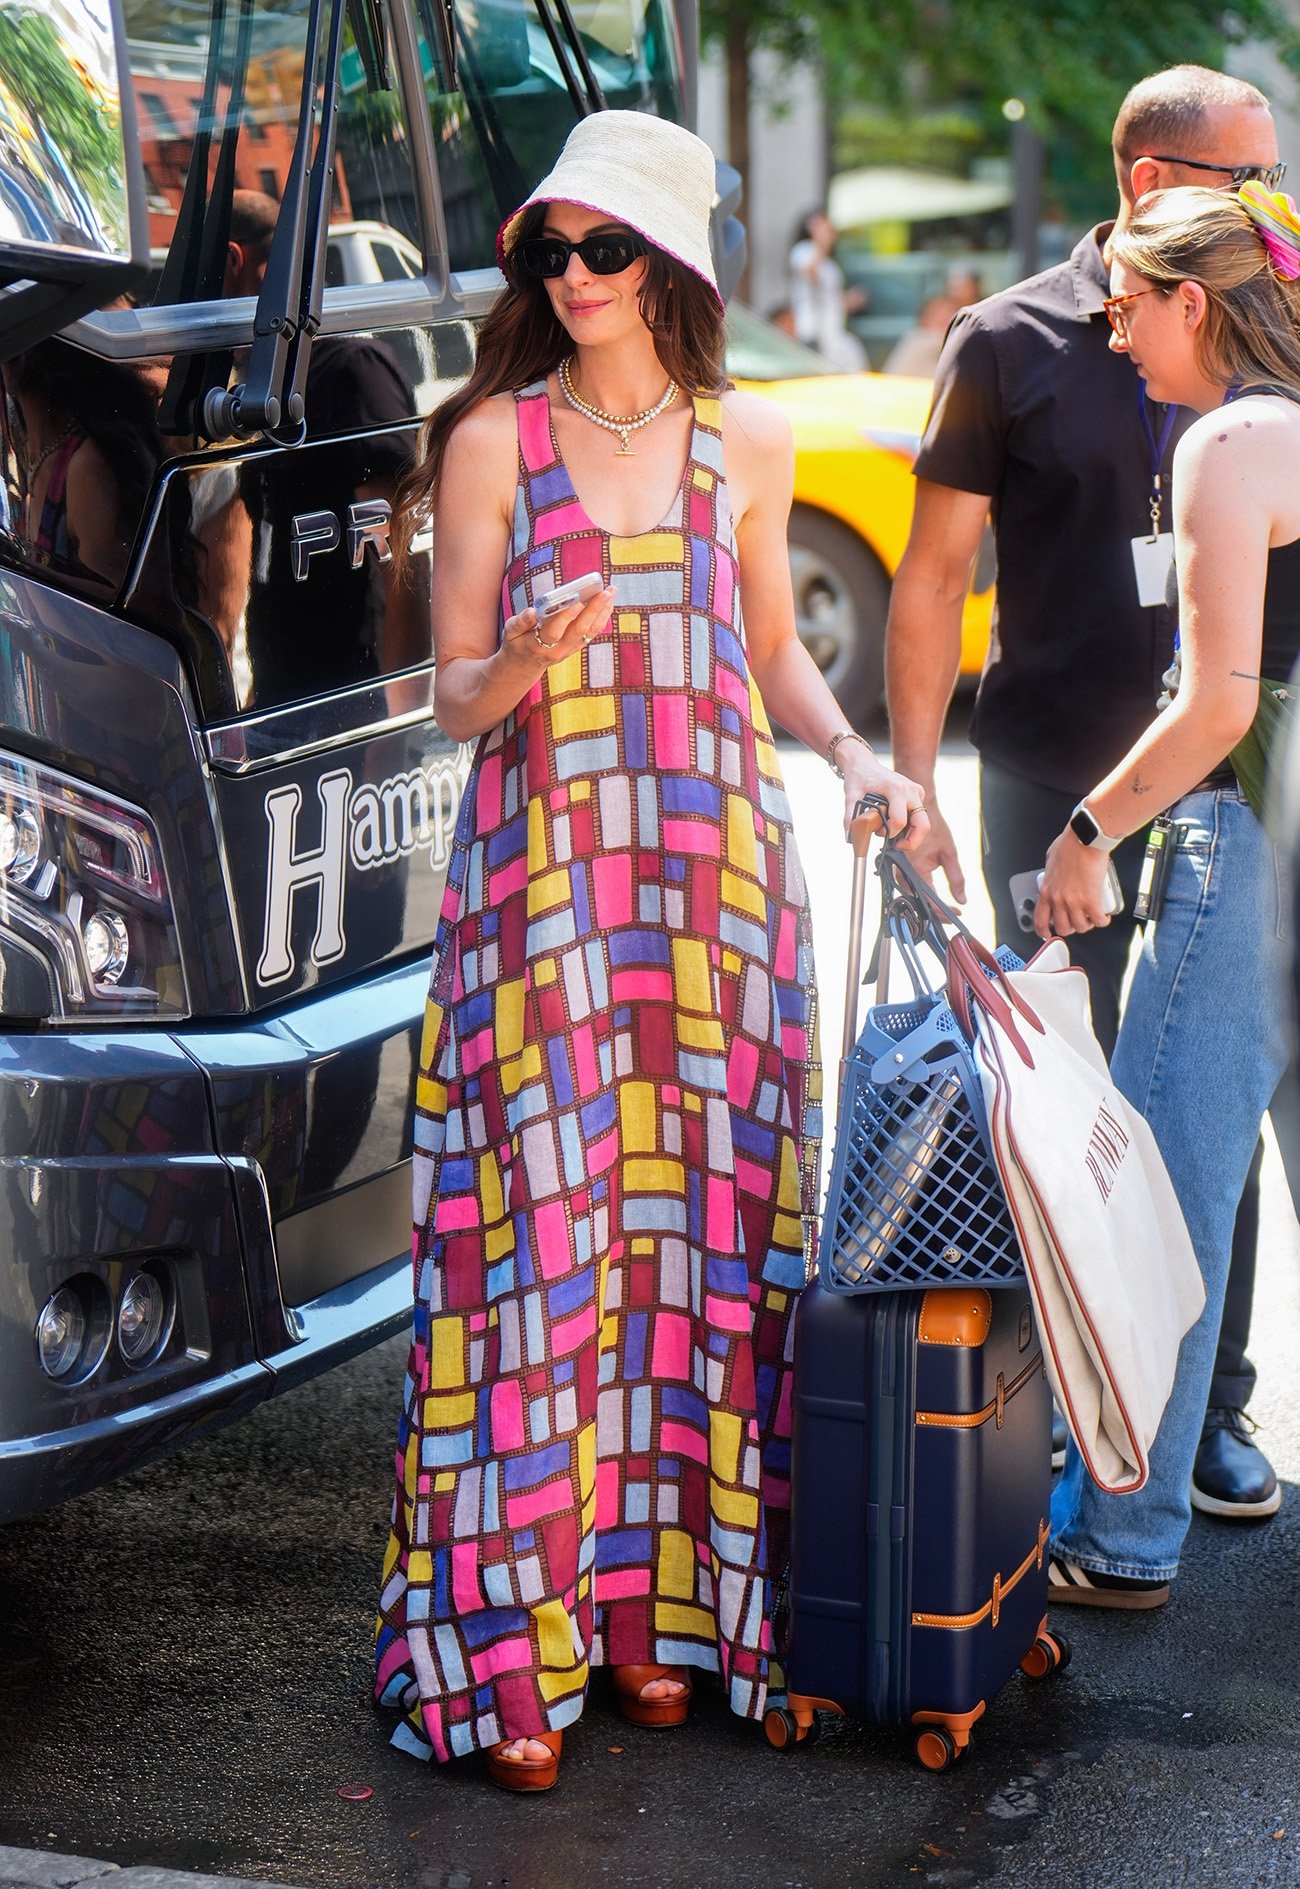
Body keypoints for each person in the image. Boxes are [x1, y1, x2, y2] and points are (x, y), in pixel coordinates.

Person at [372, 110, 928, 1793]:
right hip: (542, 898)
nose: (573, 275)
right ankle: (507, 1635)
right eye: (552, 247)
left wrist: (857, 757)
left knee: (696, 1239)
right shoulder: (489, 440)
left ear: (670, 262)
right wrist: (520, 659)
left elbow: (771, 644)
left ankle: (660, 1613)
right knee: (538, 1249)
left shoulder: (744, 441)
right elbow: (452, 700)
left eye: (605, 248)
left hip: (715, 888)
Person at [884, 64, 1286, 1516]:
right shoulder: (1010, 341)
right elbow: (932, 580)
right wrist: (912, 778)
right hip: (1057, 775)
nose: (1269, 202)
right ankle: (1054, 1407)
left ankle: (1195, 1420)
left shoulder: (1267, 374)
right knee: (1051, 1111)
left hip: (1218, 794)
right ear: (1149, 180)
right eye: (1242, 177)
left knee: (1196, 1108)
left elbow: (1232, 682)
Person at [1037, 180, 1300, 1606]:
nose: (1114, 330)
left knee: (1157, 1206)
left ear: (1195, 301)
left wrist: (1088, 830)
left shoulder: (1234, 439)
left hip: (1253, 842)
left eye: (1129, 304)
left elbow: (1216, 706)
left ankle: (1118, 1535)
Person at [787, 209, 868, 372]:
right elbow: (809, 273)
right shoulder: (802, 250)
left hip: (834, 329)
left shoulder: (830, 263)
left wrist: (848, 300)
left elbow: (830, 297)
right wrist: (820, 244)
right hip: (814, 332)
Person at [882, 292, 958, 379]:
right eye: (938, 316)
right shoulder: (918, 338)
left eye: (949, 314)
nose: (945, 319)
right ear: (924, 319)